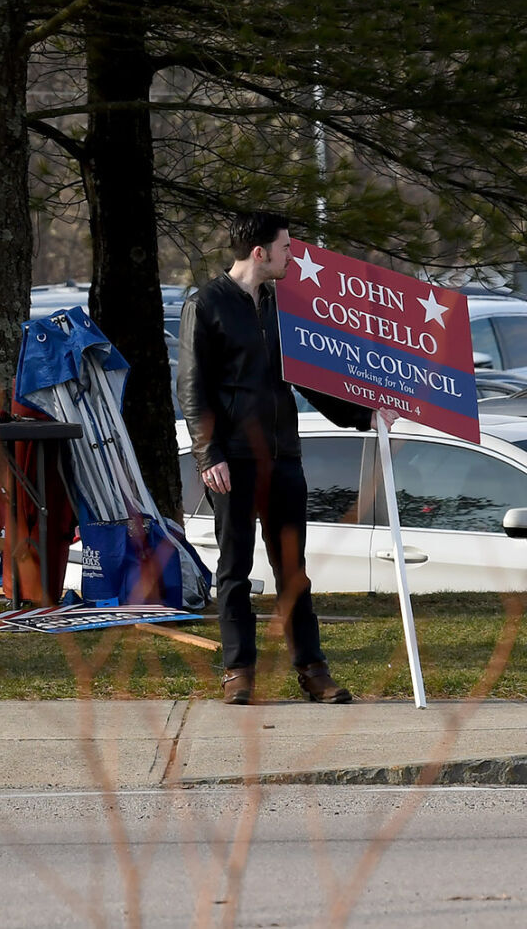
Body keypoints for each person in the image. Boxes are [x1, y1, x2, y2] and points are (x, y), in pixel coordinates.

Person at [177, 210, 377, 706]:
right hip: (233, 461)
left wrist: (364, 416)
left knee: (293, 569)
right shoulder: (207, 304)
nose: (295, 255)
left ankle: (313, 671)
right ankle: (238, 671)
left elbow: (309, 378)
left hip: (283, 457)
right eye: (287, 247)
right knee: (235, 569)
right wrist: (209, 455)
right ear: (260, 252)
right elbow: (192, 387)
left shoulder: (283, 307)